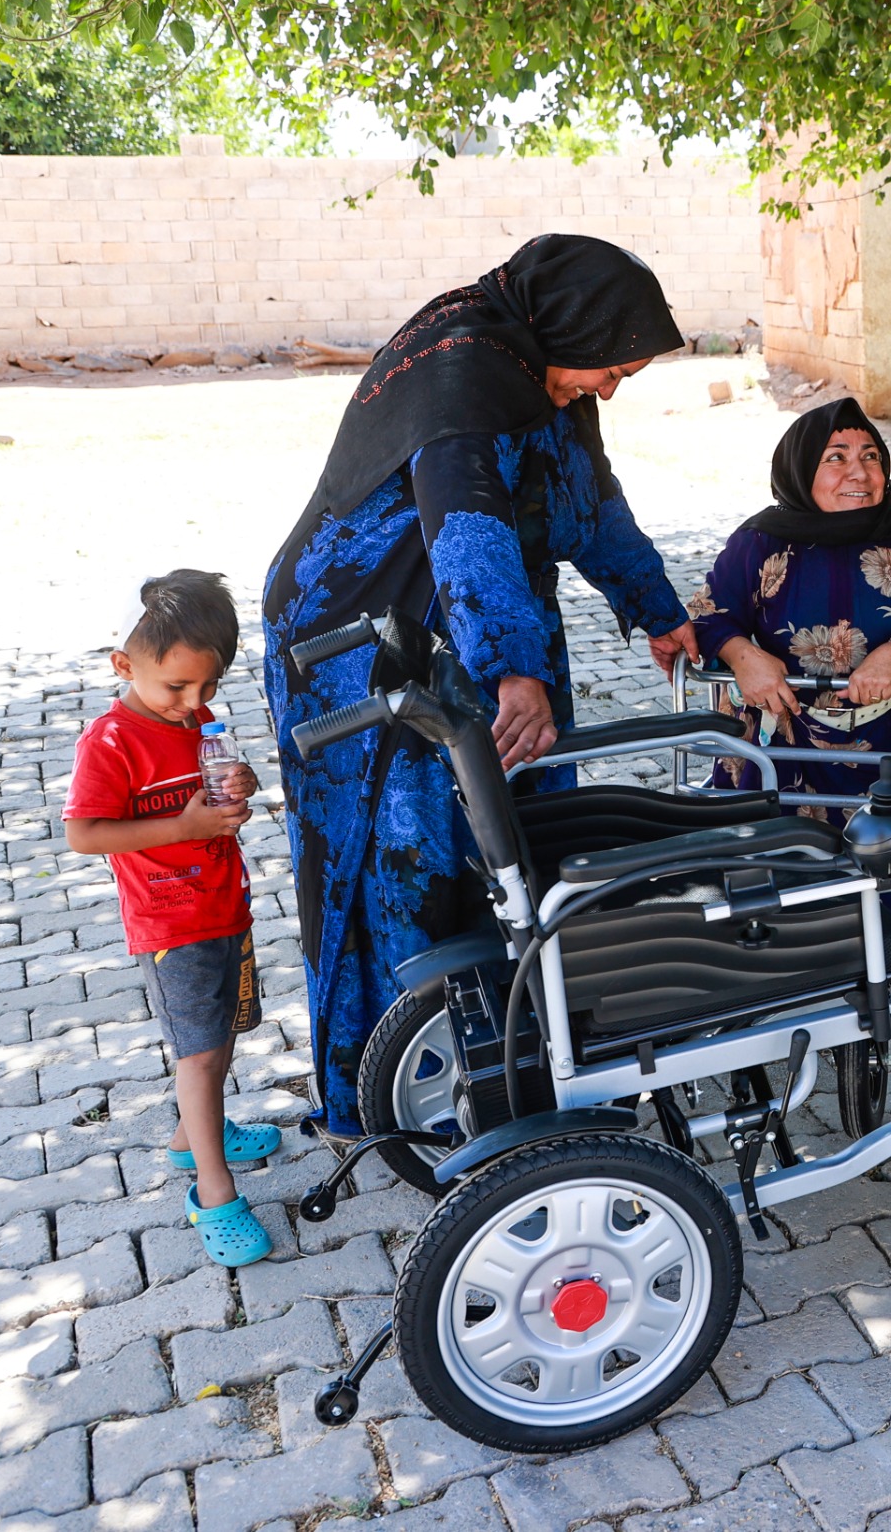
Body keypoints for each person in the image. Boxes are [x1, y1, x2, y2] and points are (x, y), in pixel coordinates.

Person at [263, 235, 700, 1137]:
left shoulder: (535, 365)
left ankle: (519, 1063)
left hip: (474, 624)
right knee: (405, 857)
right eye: (612, 369)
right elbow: (467, 533)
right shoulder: (464, 375)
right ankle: (407, 1097)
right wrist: (514, 671)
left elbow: (586, 499)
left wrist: (658, 608)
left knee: (512, 838)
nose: (611, 389)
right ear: (572, 330)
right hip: (366, 641)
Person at [66, 571, 279, 1266]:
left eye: (208, 685)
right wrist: (183, 827)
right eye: (177, 687)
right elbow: (84, 834)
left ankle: (196, 1134)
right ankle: (213, 1194)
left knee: (224, 1031)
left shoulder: (197, 726)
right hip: (170, 923)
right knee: (198, 1053)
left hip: (224, 904)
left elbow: (209, 797)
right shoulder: (111, 741)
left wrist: (239, 784)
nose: (194, 703)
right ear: (124, 666)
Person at [689, 397, 891, 823]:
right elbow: (707, 614)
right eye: (836, 458)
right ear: (801, 469)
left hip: (886, 742)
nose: (859, 473)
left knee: (880, 854)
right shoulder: (759, 541)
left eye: (870, 456)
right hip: (776, 739)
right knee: (770, 856)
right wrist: (743, 656)